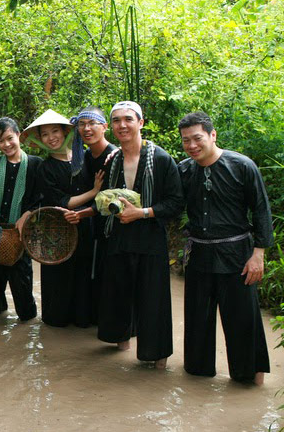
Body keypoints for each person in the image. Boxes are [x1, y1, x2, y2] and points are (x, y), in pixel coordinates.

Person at [177, 111, 273, 385]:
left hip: (238, 255)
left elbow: (261, 210)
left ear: (212, 135)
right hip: (198, 255)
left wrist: (259, 254)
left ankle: (249, 379)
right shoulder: (184, 170)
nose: (192, 146)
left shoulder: (242, 166)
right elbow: (169, 205)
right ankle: (197, 376)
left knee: (244, 320)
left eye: (197, 138)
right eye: (186, 141)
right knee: (197, 321)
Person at [95, 101, 183, 367]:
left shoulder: (161, 159)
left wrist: (142, 212)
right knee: (118, 292)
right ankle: (122, 344)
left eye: (128, 119)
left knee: (153, 298)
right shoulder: (114, 160)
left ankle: (157, 357)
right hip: (119, 237)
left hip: (150, 238)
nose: (122, 125)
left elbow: (176, 203)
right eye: (117, 120)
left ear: (141, 123)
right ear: (111, 127)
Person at [24, 109, 104, 327]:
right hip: (58, 230)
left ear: (65, 132)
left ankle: (83, 319)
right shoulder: (45, 167)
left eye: (55, 131)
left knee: (84, 273)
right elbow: (61, 201)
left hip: (86, 224)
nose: (51, 138)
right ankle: (57, 320)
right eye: (45, 134)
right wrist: (93, 192)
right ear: (38, 139)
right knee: (60, 275)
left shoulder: (84, 157)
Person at [0, 117, 44, 321]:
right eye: (0, 141)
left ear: (19, 135)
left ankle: (27, 327)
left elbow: (41, 199)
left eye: (9, 138)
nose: (6, 145)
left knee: (23, 292)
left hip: (21, 236)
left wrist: (27, 214)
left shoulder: (35, 165)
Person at [62, 107, 116, 326]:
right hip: (87, 225)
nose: (86, 128)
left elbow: (113, 197)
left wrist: (83, 212)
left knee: (105, 274)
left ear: (104, 127)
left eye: (92, 123)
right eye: (82, 124)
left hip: (109, 225)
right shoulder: (82, 156)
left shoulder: (113, 156)